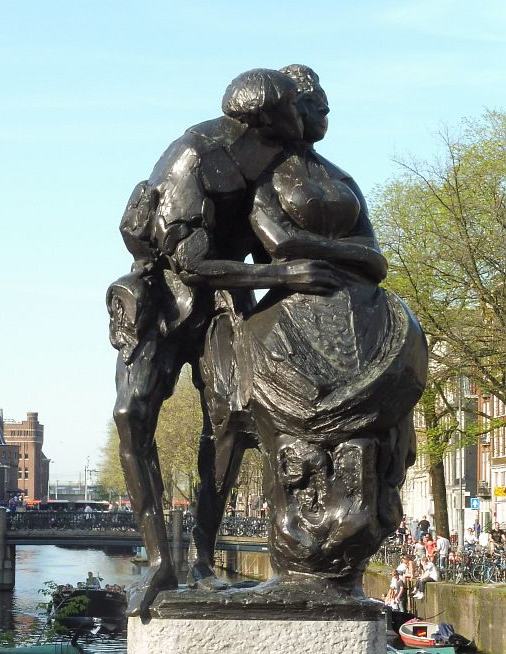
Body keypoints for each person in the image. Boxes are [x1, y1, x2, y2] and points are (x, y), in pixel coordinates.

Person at [109, 67, 340, 616]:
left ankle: (204, 561)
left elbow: (274, 238)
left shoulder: (275, 160)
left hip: (225, 300)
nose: (306, 120)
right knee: (131, 413)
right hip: (164, 296)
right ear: (265, 116)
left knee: (230, 423)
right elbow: (190, 265)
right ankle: (160, 562)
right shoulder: (194, 155)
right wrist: (284, 275)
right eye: (296, 109)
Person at [203, 64, 426, 592]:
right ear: (286, 110)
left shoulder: (341, 177)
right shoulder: (261, 177)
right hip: (291, 314)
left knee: (368, 438)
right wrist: (339, 254)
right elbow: (277, 243)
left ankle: (343, 560)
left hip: (362, 310)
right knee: (279, 430)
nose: (323, 107)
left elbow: (376, 258)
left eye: (325, 99)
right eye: (310, 100)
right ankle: (289, 559)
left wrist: (322, 252)